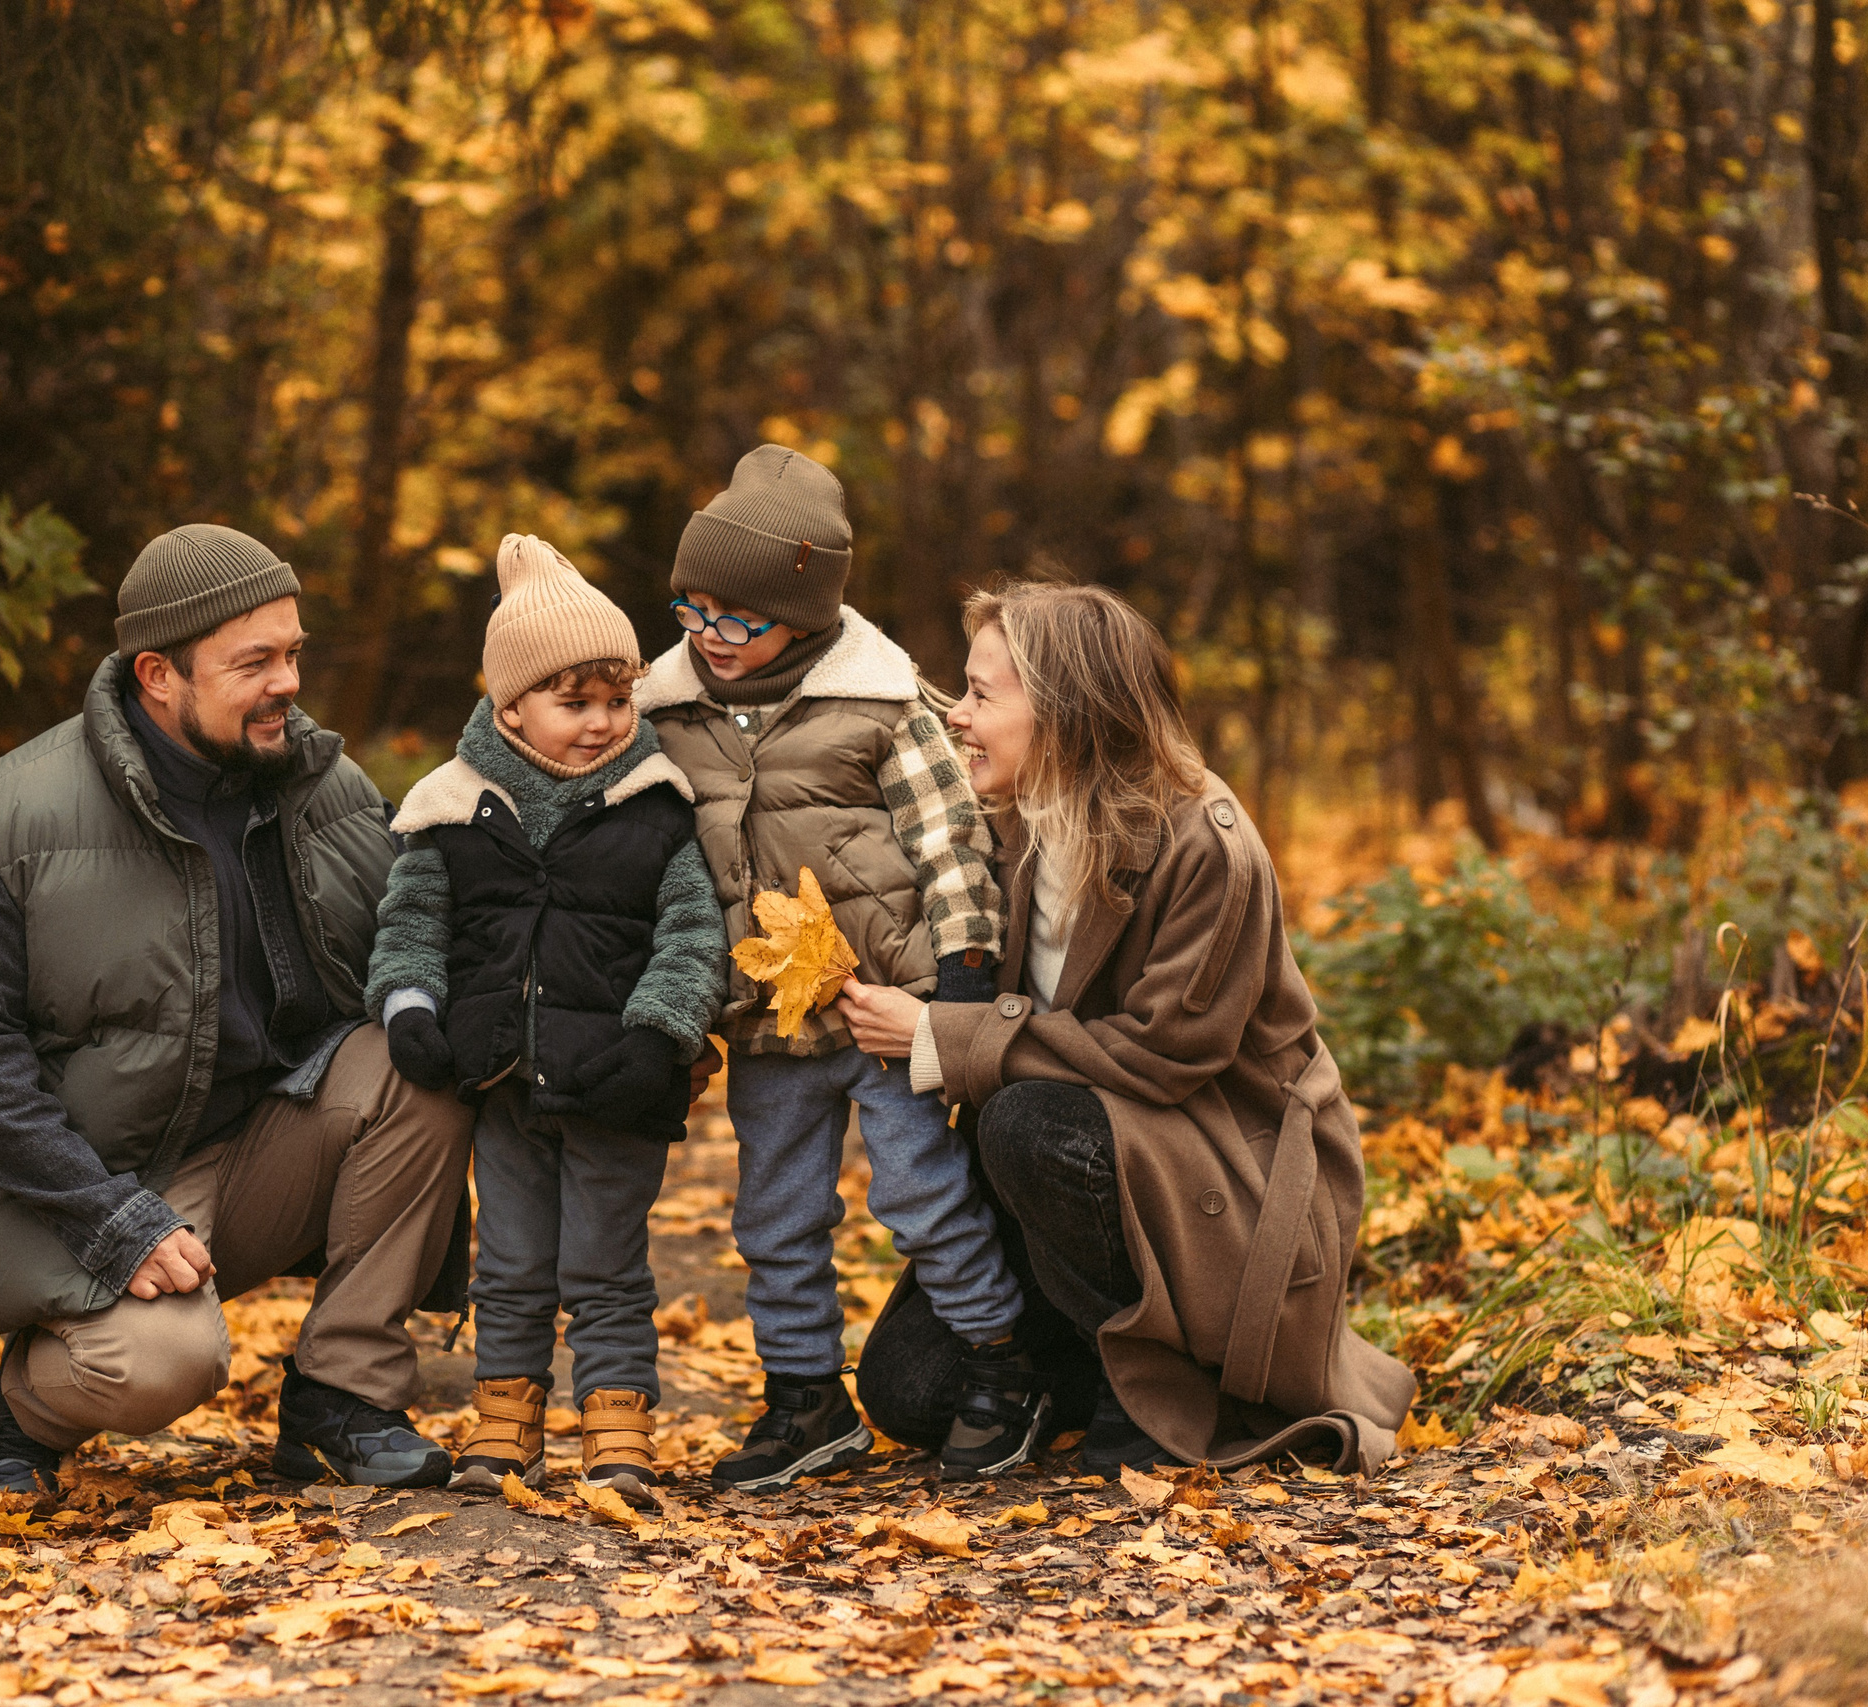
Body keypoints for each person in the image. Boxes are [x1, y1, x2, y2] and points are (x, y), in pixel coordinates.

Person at [0, 524, 476, 1495]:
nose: (287, 683)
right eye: (252, 662)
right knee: (160, 1366)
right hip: (75, 1182)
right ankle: (30, 1412)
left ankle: (340, 1397)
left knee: (414, 1054)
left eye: (292, 653)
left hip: (254, 1153)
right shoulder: (15, 818)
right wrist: (108, 1219)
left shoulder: (323, 789)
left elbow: (429, 944)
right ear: (156, 676)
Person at [836, 581, 1417, 1474]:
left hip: (1224, 1173)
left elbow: (1164, 1053)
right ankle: (1094, 1352)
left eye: (984, 695)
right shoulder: (1017, 824)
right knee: (906, 1388)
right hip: (1094, 1168)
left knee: (1020, 1117)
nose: (958, 715)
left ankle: (1162, 1383)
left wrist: (945, 1036)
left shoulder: (1205, 842)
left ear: (1067, 713)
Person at [637, 444, 1045, 1489]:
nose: (714, 639)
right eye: (694, 610)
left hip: (883, 1006)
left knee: (917, 1192)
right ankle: (803, 1397)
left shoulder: (884, 701)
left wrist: (958, 969)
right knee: (772, 1213)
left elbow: (952, 837)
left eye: (743, 618)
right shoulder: (662, 709)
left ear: (809, 610)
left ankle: (1004, 1363)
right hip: (768, 1012)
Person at [364, 534, 727, 1501]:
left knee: (607, 1266)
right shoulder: (453, 810)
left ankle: (616, 1430)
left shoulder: (654, 806)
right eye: (577, 703)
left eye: (619, 698)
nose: (605, 722)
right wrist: (410, 1007)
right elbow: (411, 923)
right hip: (502, 1082)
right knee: (514, 1263)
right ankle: (506, 1424)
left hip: (614, 1078)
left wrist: (662, 1033)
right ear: (510, 701)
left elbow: (692, 933)